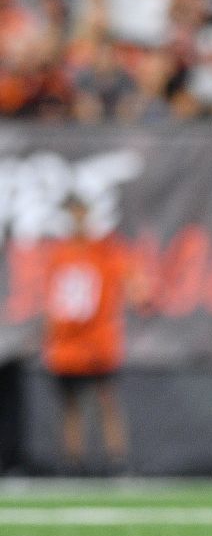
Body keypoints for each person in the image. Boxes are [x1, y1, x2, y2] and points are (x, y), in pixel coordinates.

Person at [43, 194, 141, 475]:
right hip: (67, 343)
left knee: (106, 400)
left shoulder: (105, 250)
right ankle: (73, 461)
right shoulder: (59, 253)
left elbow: (130, 278)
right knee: (71, 404)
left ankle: (117, 460)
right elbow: (53, 300)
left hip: (98, 340)